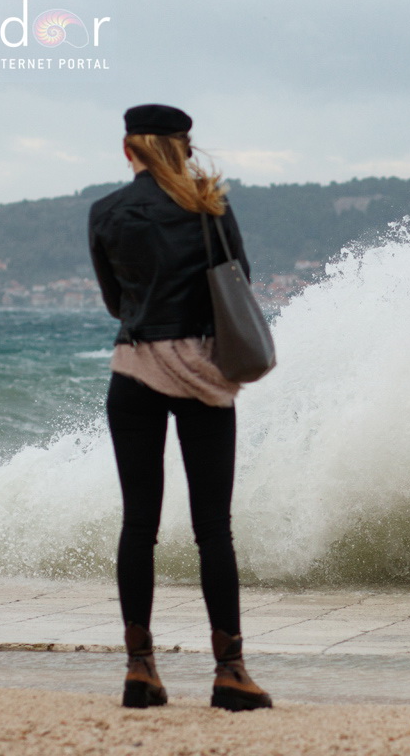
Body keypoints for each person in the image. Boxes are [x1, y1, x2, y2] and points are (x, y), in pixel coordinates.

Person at [88, 103, 272, 712]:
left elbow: (118, 304)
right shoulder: (210, 207)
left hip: (135, 369)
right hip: (202, 373)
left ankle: (140, 669)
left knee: (138, 525)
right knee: (212, 528)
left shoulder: (106, 213)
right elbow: (237, 279)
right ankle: (230, 672)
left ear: (128, 150)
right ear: (184, 149)